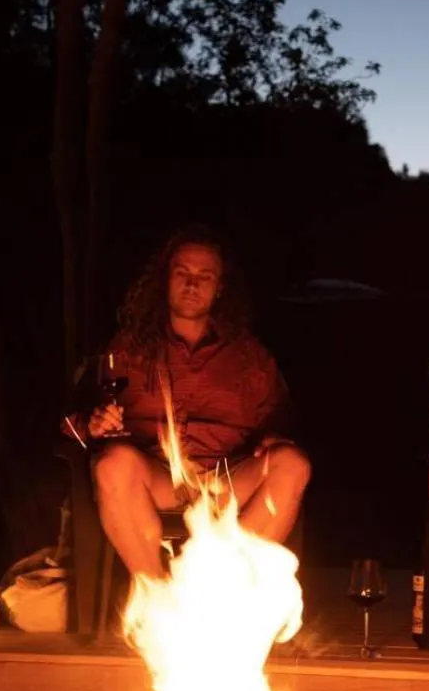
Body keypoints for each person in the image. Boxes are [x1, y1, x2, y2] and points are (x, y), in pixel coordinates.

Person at [66, 224, 310, 579]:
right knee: (112, 465)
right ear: (165, 280)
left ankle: (227, 588)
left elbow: (285, 426)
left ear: (219, 288)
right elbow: (70, 423)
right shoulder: (127, 350)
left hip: (225, 480)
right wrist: (91, 425)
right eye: (182, 274)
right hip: (158, 478)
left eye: (204, 276)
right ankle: (158, 597)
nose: (192, 285)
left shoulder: (248, 358)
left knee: (293, 465)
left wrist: (277, 438)